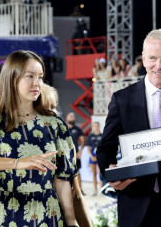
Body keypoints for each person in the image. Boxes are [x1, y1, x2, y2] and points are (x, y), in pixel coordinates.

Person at [97, 29, 161, 227]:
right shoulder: (122, 99)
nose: (159, 65)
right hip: (134, 204)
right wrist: (111, 175)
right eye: (152, 58)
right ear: (143, 59)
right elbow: (105, 148)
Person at [0, 50, 78, 227]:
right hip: (5, 217)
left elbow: (62, 182)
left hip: (48, 216)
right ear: (12, 79)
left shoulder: (55, 125)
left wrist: (72, 221)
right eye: (30, 76)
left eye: (41, 77)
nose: (37, 83)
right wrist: (17, 163)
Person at [41, 83, 92, 227]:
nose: (52, 112)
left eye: (53, 107)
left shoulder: (66, 144)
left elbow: (76, 194)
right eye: (46, 107)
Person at [66, 112, 86, 194]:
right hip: (65, 155)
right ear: (67, 119)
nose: (72, 118)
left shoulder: (78, 129)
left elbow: (83, 140)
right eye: (70, 117)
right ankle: (67, 191)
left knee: (77, 173)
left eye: (73, 117)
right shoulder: (63, 128)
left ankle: (79, 190)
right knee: (66, 173)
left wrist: (80, 151)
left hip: (75, 154)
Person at [86, 121, 103, 196]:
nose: (96, 127)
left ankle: (102, 190)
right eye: (95, 126)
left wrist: (99, 156)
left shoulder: (102, 135)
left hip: (100, 156)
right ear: (93, 127)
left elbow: (104, 146)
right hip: (92, 156)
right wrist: (91, 156)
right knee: (94, 174)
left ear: (99, 126)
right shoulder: (90, 136)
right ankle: (95, 190)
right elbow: (88, 147)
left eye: (97, 126)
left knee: (101, 174)